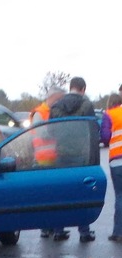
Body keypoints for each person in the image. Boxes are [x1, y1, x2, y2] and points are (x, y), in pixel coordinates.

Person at [49, 76, 96, 242]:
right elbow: (92, 131)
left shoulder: (55, 107)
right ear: (83, 89)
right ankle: (84, 232)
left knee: (59, 194)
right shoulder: (87, 105)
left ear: (70, 87)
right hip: (81, 156)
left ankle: (58, 230)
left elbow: (49, 132)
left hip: (60, 155)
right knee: (82, 194)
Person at [31, 86, 65, 238]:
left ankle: (50, 227)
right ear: (54, 97)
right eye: (60, 99)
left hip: (53, 158)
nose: (61, 102)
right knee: (46, 196)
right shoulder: (40, 112)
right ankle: (45, 227)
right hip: (43, 159)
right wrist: (59, 132)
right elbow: (41, 133)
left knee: (53, 195)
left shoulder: (50, 111)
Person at [100, 93, 122, 242]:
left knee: (120, 196)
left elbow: (105, 137)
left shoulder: (109, 115)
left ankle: (118, 232)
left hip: (117, 161)